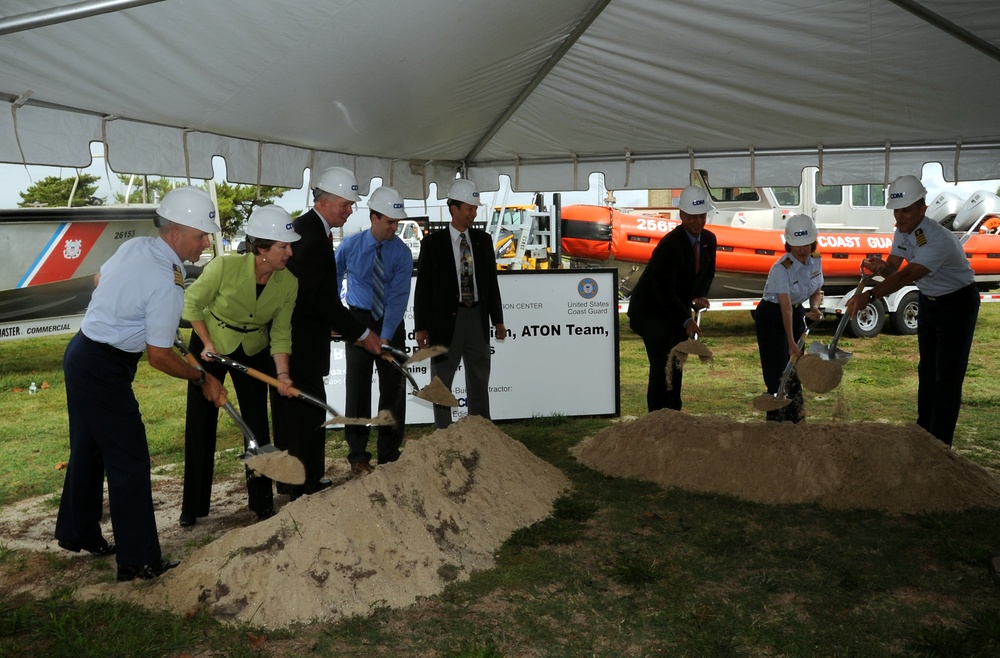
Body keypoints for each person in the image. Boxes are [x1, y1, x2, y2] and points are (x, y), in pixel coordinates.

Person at [54, 185, 225, 582]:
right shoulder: (166, 282)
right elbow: (160, 356)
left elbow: (100, 280)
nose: (204, 243)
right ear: (176, 232)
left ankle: (78, 532)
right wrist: (201, 376)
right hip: (102, 368)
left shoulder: (137, 249)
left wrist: (132, 312)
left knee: (89, 448)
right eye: (201, 235)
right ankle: (138, 559)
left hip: (81, 354)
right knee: (129, 460)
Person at [179, 205, 300, 527]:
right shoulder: (224, 267)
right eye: (283, 246)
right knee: (201, 422)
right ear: (262, 248)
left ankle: (261, 503)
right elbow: (192, 304)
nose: (290, 252)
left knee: (257, 424)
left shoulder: (288, 283)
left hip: (252, 347)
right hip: (210, 343)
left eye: (290, 245)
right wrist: (206, 342)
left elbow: (281, 333)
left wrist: (283, 374)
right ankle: (192, 507)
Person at [271, 167, 382, 499]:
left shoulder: (312, 230)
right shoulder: (310, 234)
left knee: (309, 410)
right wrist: (362, 333)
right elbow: (320, 298)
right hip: (297, 341)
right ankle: (296, 483)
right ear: (326, 201)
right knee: (299, 412)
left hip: (304, 338)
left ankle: (306, 477)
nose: (350, 211)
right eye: (346, 205)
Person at [847, 174, 980, 447]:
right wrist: (879, 267)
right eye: (896, 210)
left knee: (948, 377)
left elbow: (907, 276)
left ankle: (941, 444)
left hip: (957, 304)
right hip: (930, 302)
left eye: (906, 210)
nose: (900, 216)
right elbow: (893, 267)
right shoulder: (903, 231)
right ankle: (924, 434)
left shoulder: (938, 240)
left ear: (923, 208)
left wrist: (870, 296)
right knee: (927, 370)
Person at [414, 178, 507, 428]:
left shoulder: (483, 240)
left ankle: (481, 430)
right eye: (469, 208)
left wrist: (497, 319)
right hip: (444, 323)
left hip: (477, 317)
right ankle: (443, 433)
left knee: (479, 377)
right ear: (453, 208)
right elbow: (423, 288)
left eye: (475, 208)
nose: (473, 213)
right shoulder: (432, 244)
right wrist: (421, 327)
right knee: (441, 380)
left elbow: (490, 283)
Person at [336, 186, 412, 473]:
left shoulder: (402, 254)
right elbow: (333, 272)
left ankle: (389, 454)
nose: (395, 227)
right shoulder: (350, 246)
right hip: (358, 320)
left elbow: (397, 298)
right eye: (390, 221)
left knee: (393, 389)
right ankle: (357, 454)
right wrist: (337, 315)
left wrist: (387, 334)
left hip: (390, 323)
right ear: (374, 217)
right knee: (357, 388)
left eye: (397, 222)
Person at [627, 185, 717, 412]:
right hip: (651, 311)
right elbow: (664, 290)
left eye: (701, 216)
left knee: (677, 362)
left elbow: (707, 273)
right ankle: (657, 419)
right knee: (662, 365)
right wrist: (687, 321)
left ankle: (674, 414)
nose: (698, 222)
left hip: (675, 309)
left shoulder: (709, 240)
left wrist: (699, 295)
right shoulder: (669, 245)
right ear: (682, 216)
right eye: (692, 217)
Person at [754, 214, 824, 422]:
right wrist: (792, 342)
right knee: (777, 372)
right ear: (788, 244)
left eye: (806, 244)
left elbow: (816, 290)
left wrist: (814, 308)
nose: (802, 250)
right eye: (796, 245)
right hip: (772, 317)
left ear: (813, 242)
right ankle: (776, 423)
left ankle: (796, 418)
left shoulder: (816, 260)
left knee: (795, 368)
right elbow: (784, 308)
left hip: (796, 313)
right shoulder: (780, 269)